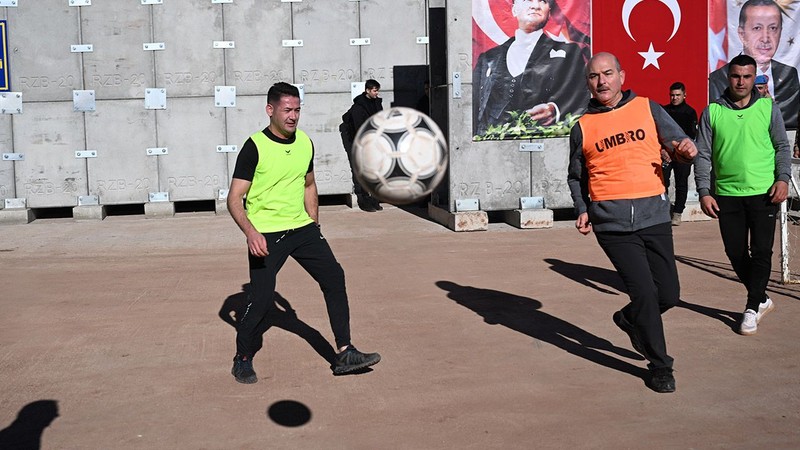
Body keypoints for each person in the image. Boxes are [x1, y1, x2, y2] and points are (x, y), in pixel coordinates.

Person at [227, 82, 381, 384]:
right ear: (270, 110)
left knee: (334, 278)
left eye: (297, 110)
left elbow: (309, 185)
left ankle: (345, 352)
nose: (293, 116)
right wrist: (251, 232)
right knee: (260, 299)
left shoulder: (304, 143)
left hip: (302, 229)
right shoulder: (254, 146)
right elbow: (234, 198)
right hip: (266, 234)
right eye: (287, 110)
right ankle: (242, 357)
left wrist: (314, 224)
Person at [567, 52, 697, 393]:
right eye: (594, 77)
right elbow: (575, 176)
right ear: (588, 84)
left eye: (608, 74)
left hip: (654, 216)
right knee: (643, 292)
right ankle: (660, 365)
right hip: (611, 225)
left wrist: (685, 149)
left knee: (669, 293)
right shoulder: (582, 126)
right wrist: (582, 207)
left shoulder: (648, 108)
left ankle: (628, 320)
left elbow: (677, 144)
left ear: (621, 76)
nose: (602, 81)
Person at [695, 54, 791, 336]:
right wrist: (704, 191)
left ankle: (751, 308)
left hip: (764, 192)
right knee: (735, 252)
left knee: (762, 252)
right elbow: (702, 154)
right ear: (728, 76)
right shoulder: (712, 111)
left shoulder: (767, 108)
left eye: (747, 76)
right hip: (726, 193)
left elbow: (782, 147)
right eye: (736, 76)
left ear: (755, 79)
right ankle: (762, 298)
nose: (741, 81)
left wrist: (782, 179)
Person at [473, 0, 589, 136]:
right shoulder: (489, 58)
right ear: (514, 10)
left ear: (549, 12)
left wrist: (555, 110)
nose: (535, 6)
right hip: (492, 145)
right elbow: (473, 103)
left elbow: (581, 95)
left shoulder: (569, 53)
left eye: (543, 1)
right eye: (527, 0)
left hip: (546, 141)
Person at [708, 0, 799, 129]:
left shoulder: (790, 74)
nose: (766, 38)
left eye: (773, 28)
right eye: (757, 28)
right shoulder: (718, 77)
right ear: (741, 34)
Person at [340, 79, 384, 212]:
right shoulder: (358, 107)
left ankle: (374, 199)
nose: (377, 93)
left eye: (377, 90)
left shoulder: (377, 104)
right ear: (368, 90)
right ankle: (364, 200)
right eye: (375, 90)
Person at [661, 82, 699, 226]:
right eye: (672, 95)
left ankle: (677, 214)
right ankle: (663, 212)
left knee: (681, 184)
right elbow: (658, 132)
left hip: (682, 156)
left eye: (677, 95)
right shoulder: (663, 111)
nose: (674, 98)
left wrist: (681, 152)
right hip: (666, 154)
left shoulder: (690, 112)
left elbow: (691, 136)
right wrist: (663, 150)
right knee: (661, 183)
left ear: (684, 95)